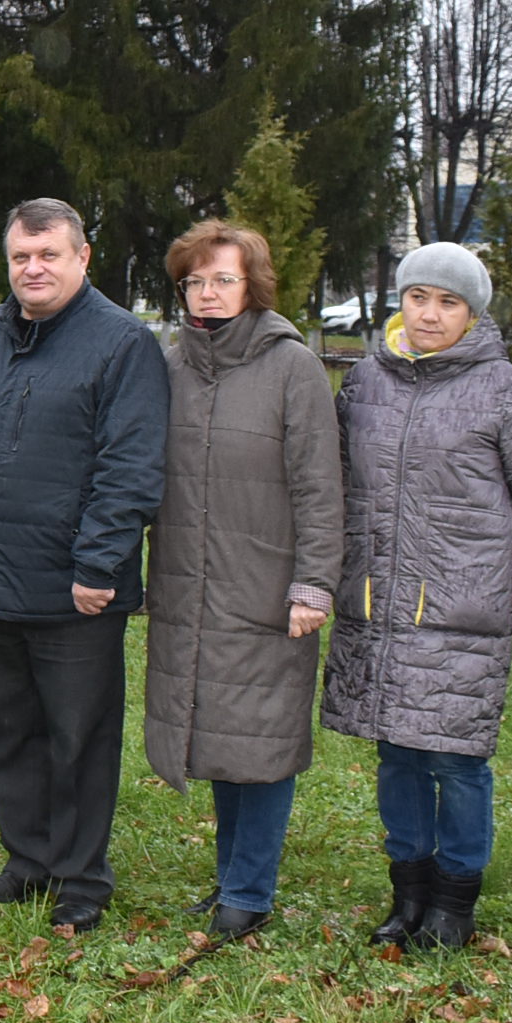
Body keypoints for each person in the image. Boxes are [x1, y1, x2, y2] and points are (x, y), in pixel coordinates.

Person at [320, 243, 512, 950]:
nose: (430, 314)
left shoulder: (502, 388)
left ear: (472, 313)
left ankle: (455, 900)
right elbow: (337, 481)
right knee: (396, 754)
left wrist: (505, 578)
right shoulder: (365, 382)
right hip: (377, 605)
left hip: (459, 611)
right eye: (419, 297)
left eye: (448, 302)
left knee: (456, 759)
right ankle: (409, 891)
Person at [0, 198, 170, 932]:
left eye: (48, 255)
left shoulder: (121, 344)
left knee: (79, 736)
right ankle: (29, 860)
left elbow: (130, 464)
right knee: (7, 730)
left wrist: (100, 564)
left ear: (82, 258)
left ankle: (81, 877)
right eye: (20, 257)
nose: (33, 269)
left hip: (78, 586)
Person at [141, 221, 342, 940]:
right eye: (195, 281)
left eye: (223, 279)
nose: (208, 293)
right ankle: (232, 882)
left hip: (264, 587)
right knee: (220, 737)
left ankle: (250, 893)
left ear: (252, 284)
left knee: (261, 742)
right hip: (189, 584)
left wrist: (314, 583)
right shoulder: (170, 363)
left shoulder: (293, 369)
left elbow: (321, 487)